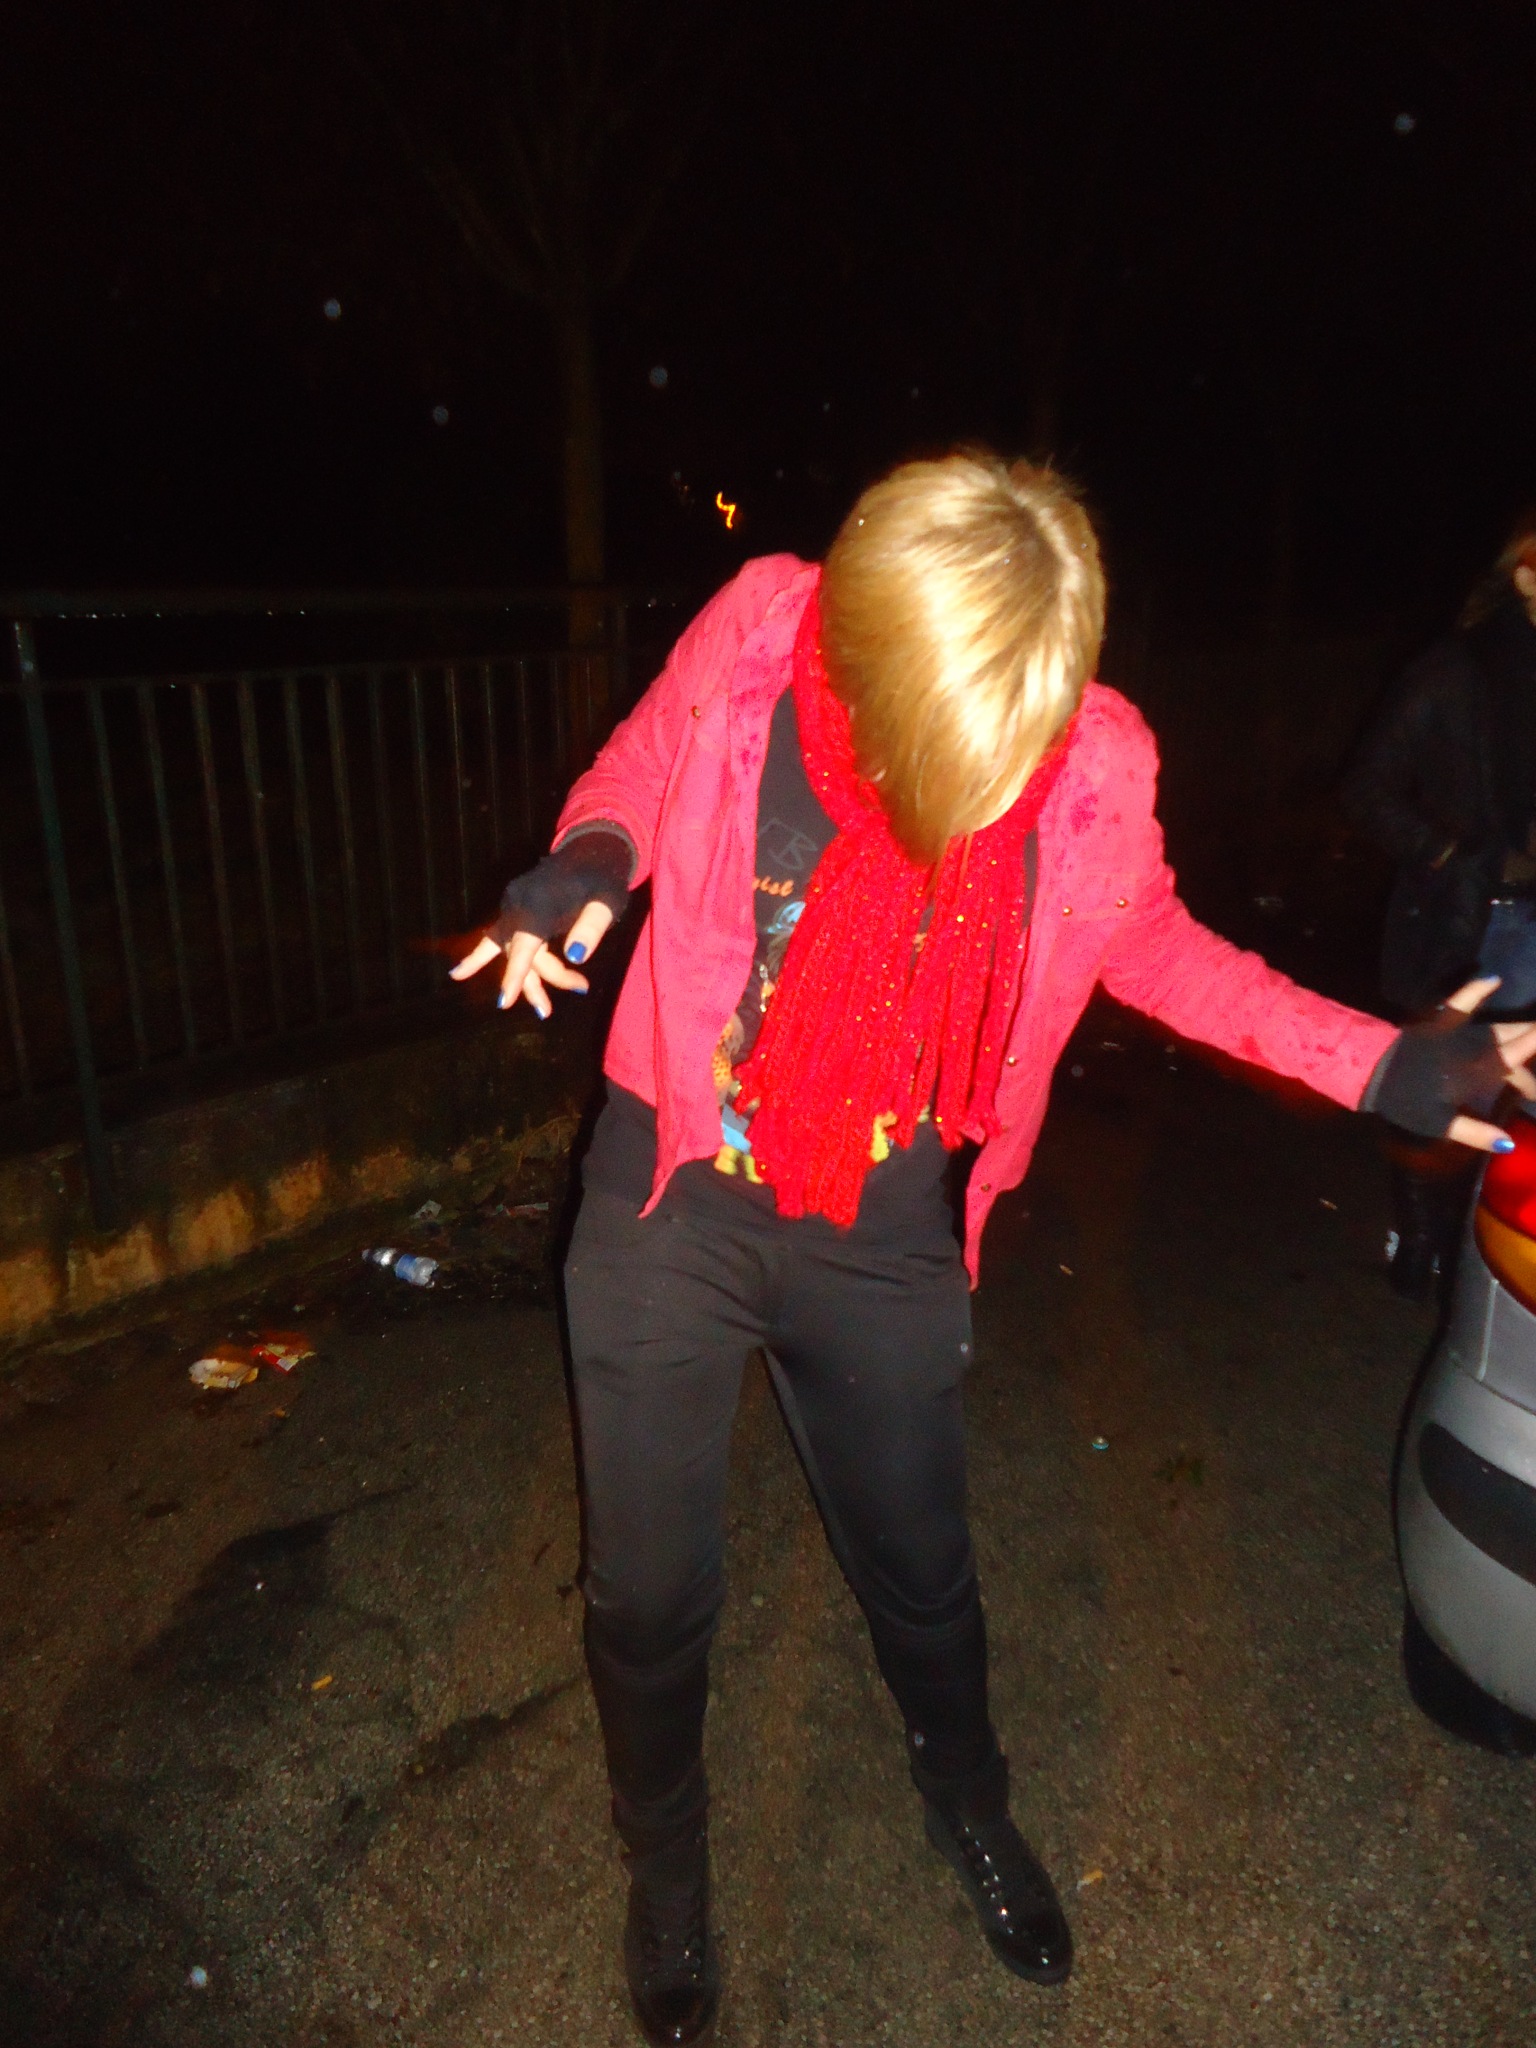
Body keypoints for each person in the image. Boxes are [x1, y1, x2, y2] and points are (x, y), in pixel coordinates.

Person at [453, 453, 1536, 2048]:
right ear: (869, 660)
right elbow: (641, 763)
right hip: (674, 1193)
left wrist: (1372, 1060)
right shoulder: (763, 631)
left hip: (882, 1222)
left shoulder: (1090, 756)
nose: (995, 791)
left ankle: (967, 1799)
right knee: (650, 1597)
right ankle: (667, 1870)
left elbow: (1150, 941)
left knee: (923, 1574)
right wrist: (590, 860)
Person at [1346, 509, 1536, 1298]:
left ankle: (1494, 1257)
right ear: (1524, 575)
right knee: (1449, 1082)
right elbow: (1368, 789)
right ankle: (1422, 1239)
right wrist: (1450, 853)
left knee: (1521, 1095)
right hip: (1475, 919)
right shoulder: (1455, 671)